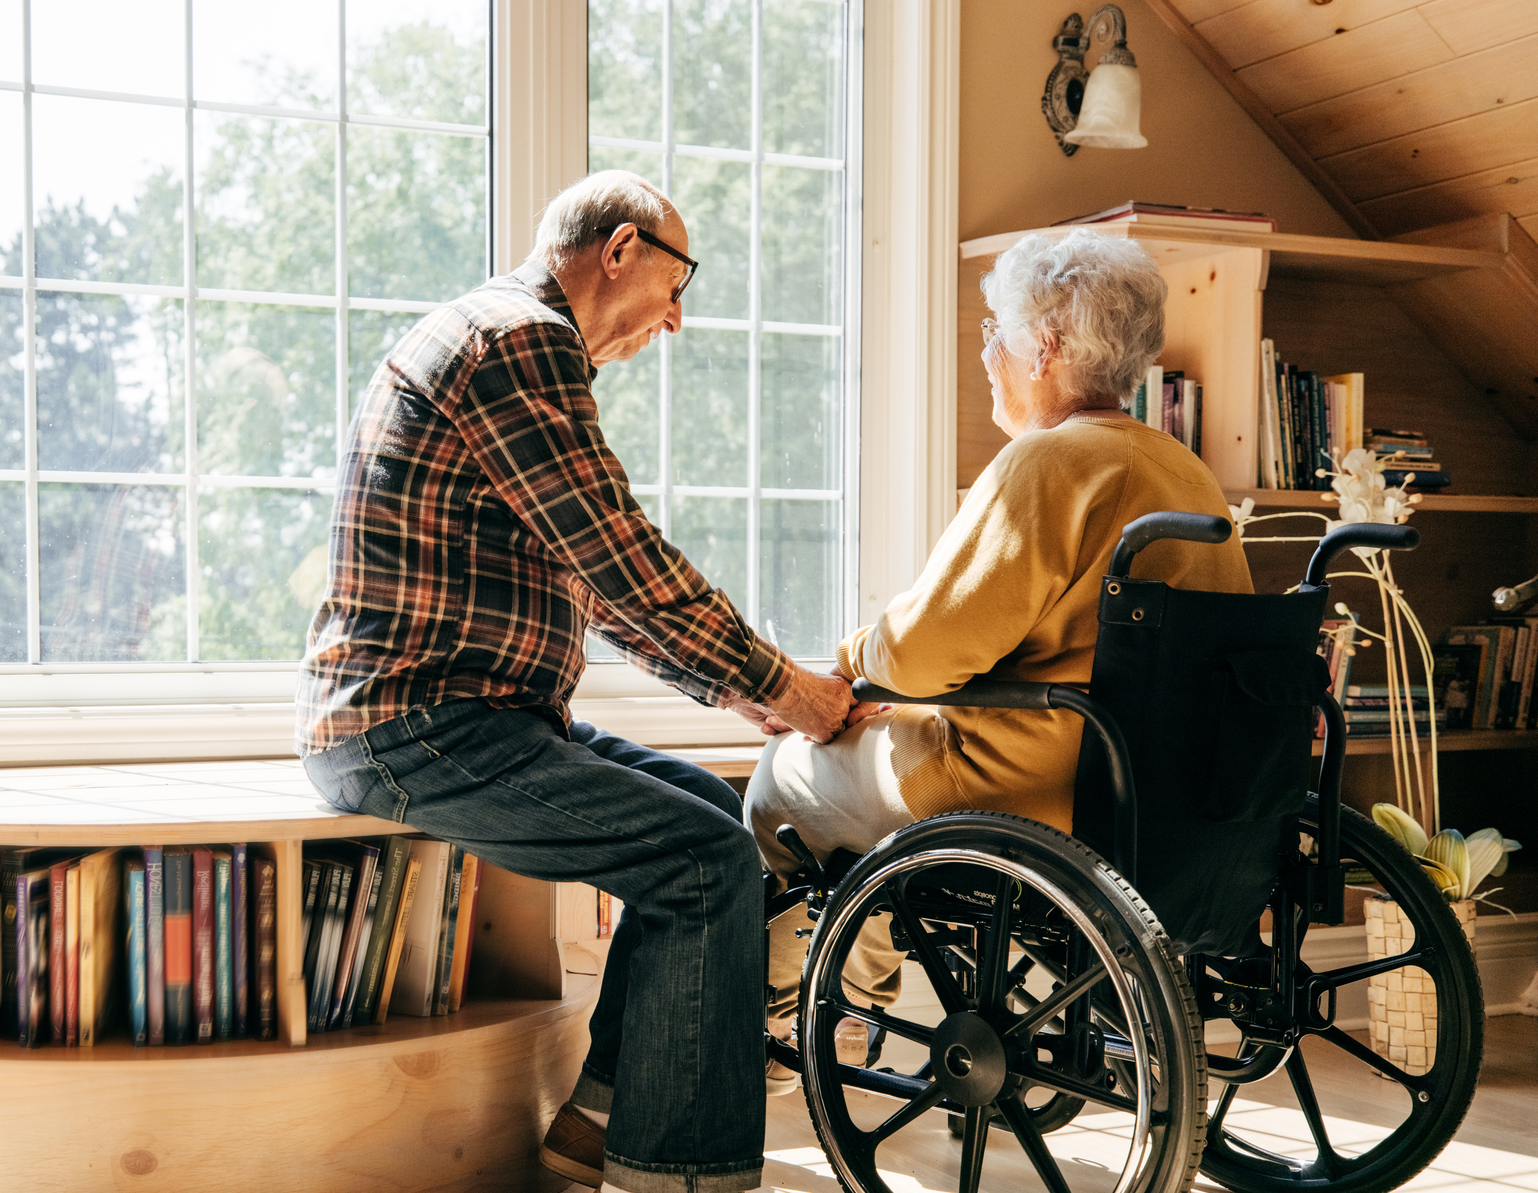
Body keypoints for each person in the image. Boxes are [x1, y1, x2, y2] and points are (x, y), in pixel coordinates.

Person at [297, 170, 852, 1193]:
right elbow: (622, 560)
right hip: (415, 723)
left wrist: (738, 693)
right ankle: (678, 1174)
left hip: (470, 714)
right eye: (677, 286)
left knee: (706, 811)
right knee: (700, 862)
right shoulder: (517, 340)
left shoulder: (502, 340)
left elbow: (592, 588)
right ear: (623, 249)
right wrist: (793, 688)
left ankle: (595, 1129)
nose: (676, 321)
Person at [747, 228, 1253, 1075]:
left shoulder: (1049, 463)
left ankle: (792, 1018)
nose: (987, 356)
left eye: (995, 334)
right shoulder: (1187, 473)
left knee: (784, 779)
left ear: (1045, 346)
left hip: (1021, 789)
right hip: (1153, 798)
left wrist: (848, 663)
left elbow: (920, 650)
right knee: (854, 772)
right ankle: (850, 1009)